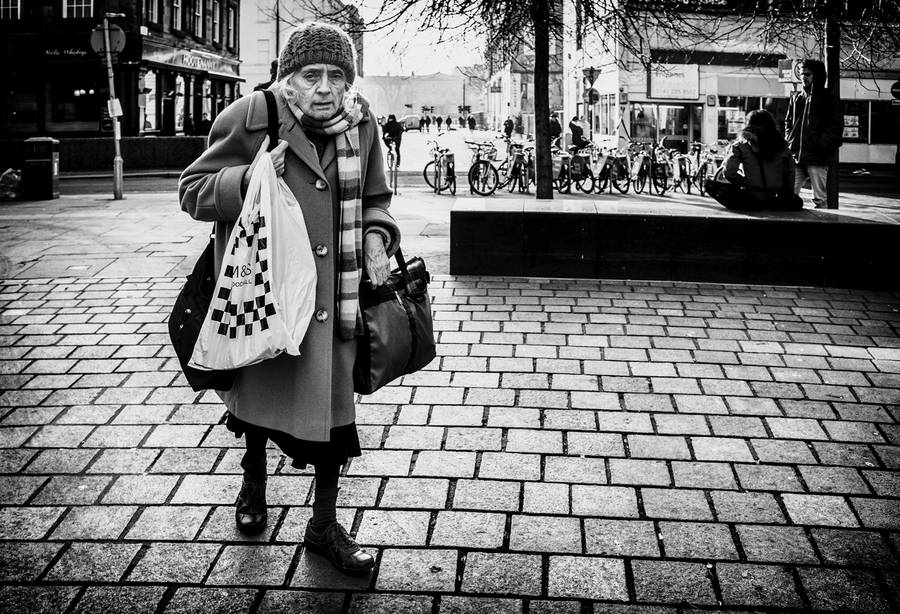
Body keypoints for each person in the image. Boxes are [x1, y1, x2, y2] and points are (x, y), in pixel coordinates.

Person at [179, 21, 400, 575]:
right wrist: (249, 177)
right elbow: (191, 192)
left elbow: (376, 198)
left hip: (335, 302)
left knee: (332, 422)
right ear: (288, 78)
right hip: (267, 296)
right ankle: (254, 478)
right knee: (258, 409)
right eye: (311, 74)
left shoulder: (363, 125)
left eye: (336, 75)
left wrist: (377, 235)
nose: (325, 87)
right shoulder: (251, 117)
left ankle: (323, 526)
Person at [711, 109, 800, 211]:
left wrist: (746, 183)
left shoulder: (740, 145)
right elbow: (790, 173)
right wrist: (786, 195)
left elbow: (729, 172)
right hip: (775, 199)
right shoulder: (783, 147)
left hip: (751, 198)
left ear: (749, 124)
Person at [784, 58, 843, 209]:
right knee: (789, 196)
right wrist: (790, 141)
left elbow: (835, 128)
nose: (804, 77)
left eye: (808, 74)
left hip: (817, 157)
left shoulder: (829, 99)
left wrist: (821, 145)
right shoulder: (796, 97)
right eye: (802, 74)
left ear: (817, 75)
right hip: (797, 156)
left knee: (819, 199)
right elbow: (788, 122)